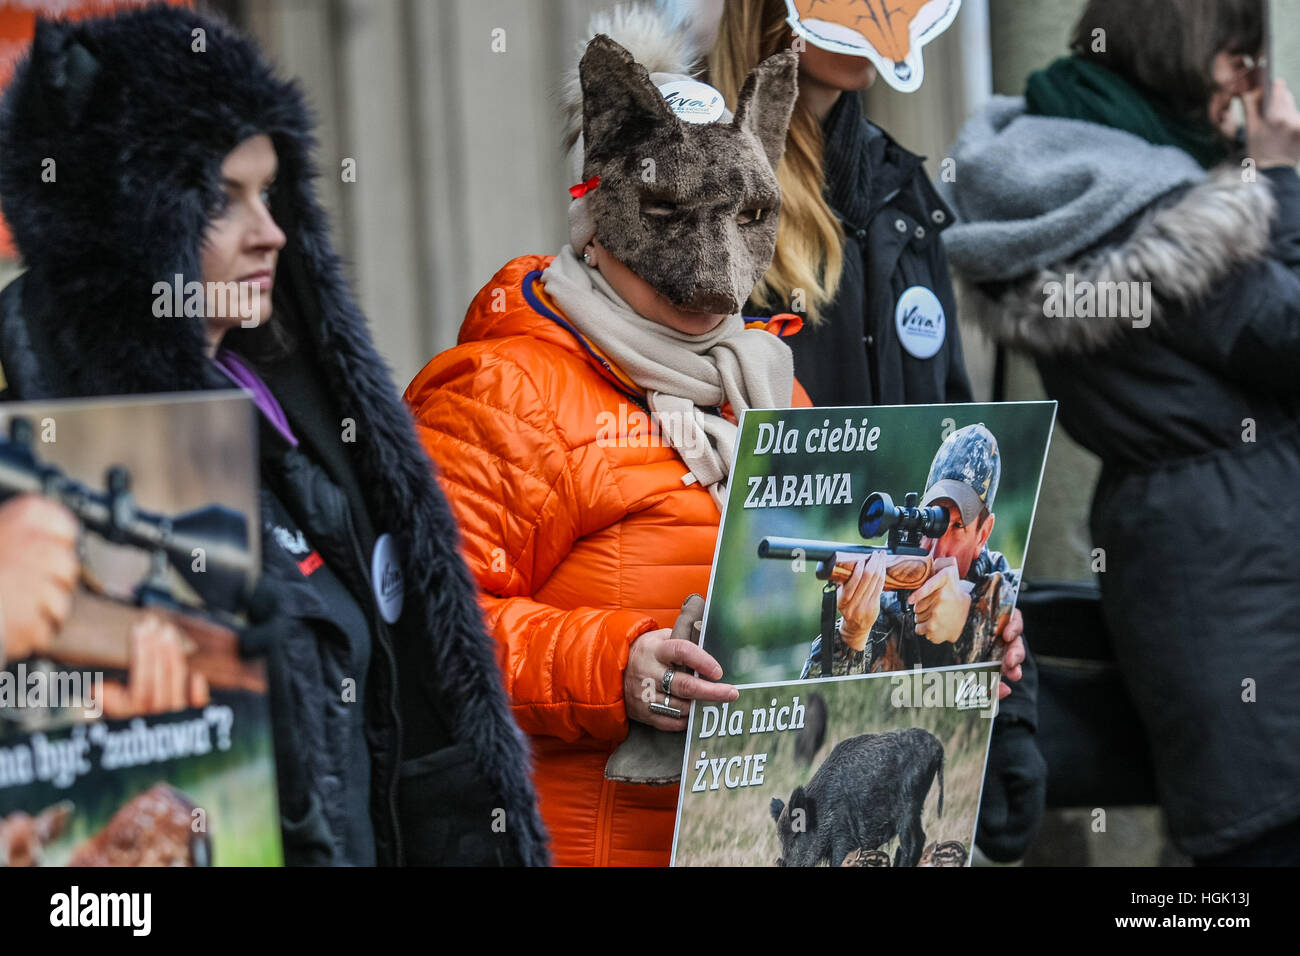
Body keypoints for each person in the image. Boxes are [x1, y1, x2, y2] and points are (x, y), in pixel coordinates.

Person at [407, 5, 1026, 867]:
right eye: (669, 214)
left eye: (740, 216)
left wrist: (958, 649)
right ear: (602, 213)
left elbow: (838, 638)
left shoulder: (772, 389)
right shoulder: (503, 393)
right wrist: (612, 666)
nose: (711, 261)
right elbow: (430, 634)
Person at [0, 5, 546, 866]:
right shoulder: (33, 453)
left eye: (270, 191)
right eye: (224, 201)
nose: (273, 232)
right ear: (130, 222)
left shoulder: (305, 424)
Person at [939, 0, 1300, 865]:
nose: (1252, 81)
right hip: (1238, 582)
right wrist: (1280, 176)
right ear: (1184, 49)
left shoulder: (1078, 171)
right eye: (1238, 55)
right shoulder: (1167, 210)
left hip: (1193, 567)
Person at [705, 0, 973, 407]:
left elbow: (951, 403)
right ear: (775, 16)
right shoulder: (705, 189)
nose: (871, 15)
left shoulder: (898, 181)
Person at [802, 424, 1018, 677]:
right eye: (932, 521)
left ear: (983, 533)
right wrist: (852, 636)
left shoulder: (1006, 593)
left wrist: (965, 622)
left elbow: (1020, 695)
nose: (938, 548)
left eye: (958, 526)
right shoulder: (884, 606)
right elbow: (810, 708)